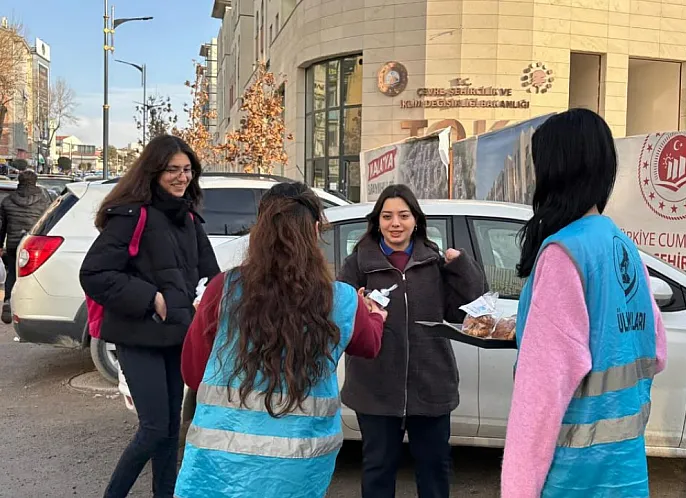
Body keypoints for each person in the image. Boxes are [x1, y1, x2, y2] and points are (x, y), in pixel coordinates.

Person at [174, 182, 387, 497]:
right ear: (315, 230)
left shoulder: (225, 289)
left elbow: (194, 373)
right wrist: (375, 317)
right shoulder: (341, 299)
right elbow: (368, 345)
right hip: (300, 464)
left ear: (259, 231)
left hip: (220, 464)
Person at [500, 109, 668, 498]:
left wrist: (517, 490)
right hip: (625, 469)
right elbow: (656, 353)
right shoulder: (623, 246)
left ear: (554, 169)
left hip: (574, 476)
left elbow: (539, 399)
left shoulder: (565, 254)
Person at [79, 134, 220, 498]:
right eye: (172, 169)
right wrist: (151, 297)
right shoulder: (131, 215)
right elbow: (94, 273)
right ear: (153, 171)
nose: (181, 177)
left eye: (187, 169)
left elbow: (211, 276)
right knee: (155, 428)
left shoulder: (188, 217)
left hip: (177, 336)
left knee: (172, 430)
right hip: (139, 336)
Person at [338, 184, 487, 498]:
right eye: (387, 216)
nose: (395, 223)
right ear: (377, 221)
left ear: (415, 220)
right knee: (378, 469)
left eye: (403, 216)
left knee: (434, 468)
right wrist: (358, 308)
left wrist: (461, 266)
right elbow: (340, 316)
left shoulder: (434, 262)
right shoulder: (358, 265)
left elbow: (468, 309)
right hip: (375, 388)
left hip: (431, 385)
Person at [0, 169, 51, 323]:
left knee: (12, 275)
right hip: (34, 244)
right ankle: (30, 307)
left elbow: (2, 226)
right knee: (34, 275)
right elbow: (48, 222)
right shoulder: (44, 201)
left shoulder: (8, 201)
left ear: (19, 182)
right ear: (35, 182)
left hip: (13, 243)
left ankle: (8, 300)